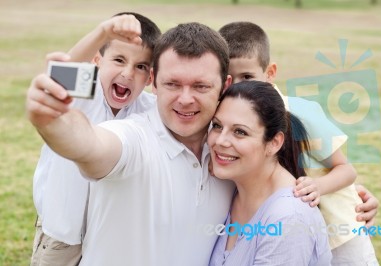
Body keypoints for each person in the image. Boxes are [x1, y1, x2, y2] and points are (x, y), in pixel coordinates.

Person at [27, 22, 236, 266]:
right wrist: (50, 118)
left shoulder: (148, 105)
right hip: (63, 231)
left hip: (94, 231)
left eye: (200, 86)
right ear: (156, 82)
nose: (185, 99)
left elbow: (274, 113)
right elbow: (88, 140)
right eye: (172, 84)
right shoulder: (95, 95)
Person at [219, 21, 379, 265]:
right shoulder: (225, 120)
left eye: (248, 76)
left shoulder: (301, 112)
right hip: (291, 231)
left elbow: (347, 169)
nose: (240, 87)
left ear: (270, 73)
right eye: (230, 79)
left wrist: (318, 185)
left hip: (340, 233)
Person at [31, 13, 160, 266]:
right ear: (97, 61)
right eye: (119, 60)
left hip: (110, 239)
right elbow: (60, 74)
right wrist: (103, 32)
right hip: (62, 236)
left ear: (150, 78)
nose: (127, 73)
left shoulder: (148, 108)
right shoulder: (84, 93)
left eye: (141, 66)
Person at [208, 81, 332, 265]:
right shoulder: (231, 188)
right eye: (217, 126)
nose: (220, 141)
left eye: (240, 132)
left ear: (274, 143)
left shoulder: (288, 218)